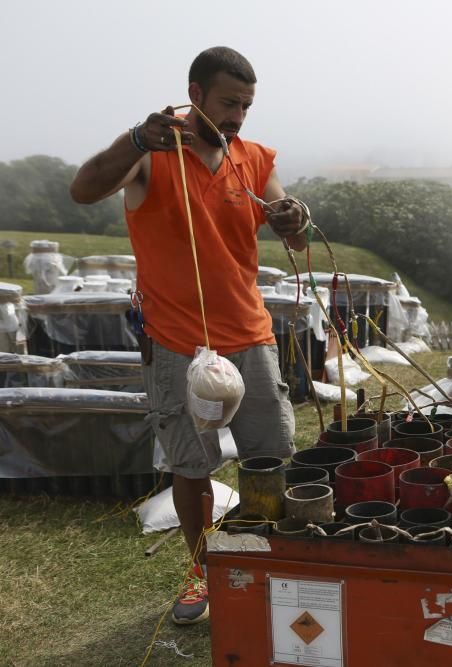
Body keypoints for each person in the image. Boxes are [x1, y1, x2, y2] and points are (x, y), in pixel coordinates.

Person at [71, 46, 306, 626]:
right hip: (177, 343)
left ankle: (266, 563)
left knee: (270, 456)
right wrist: (133, 139)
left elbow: (293, 236)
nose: (237, 117)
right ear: (194, 94)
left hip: (250, 337)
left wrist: (293, 221)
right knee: (191, 467)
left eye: (246, 106)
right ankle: (205, 572)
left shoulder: (253, 159)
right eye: (228, 102)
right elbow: (83, 189)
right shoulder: (151, 153)